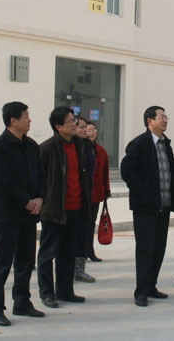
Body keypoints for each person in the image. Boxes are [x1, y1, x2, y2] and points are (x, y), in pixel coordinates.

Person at [0, 102, 46, 327]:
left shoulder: (31, 145)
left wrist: (39, 198)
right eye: (26, 116)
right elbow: (2, 181)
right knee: (0, 264)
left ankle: (22, 302)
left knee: (25, 262)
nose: (29, 119)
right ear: (13, 120)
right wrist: (26, 201)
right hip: (8, 216)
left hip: (29, 215)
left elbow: (41, 176)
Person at [120, 106, 174, 307]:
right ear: (150, 121)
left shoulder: (166, 144)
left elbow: (171, 173)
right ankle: (141, 292)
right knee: (145, 249)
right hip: (146, 207)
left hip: (163, 206)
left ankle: (151, 286)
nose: (165, 120)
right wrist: (143, 192)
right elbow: (127, 171)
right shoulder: (139, 144)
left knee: (158, 248)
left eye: (166, 117)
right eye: (162, 117)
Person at [36, 107, 92, 308]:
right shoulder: (47, 148)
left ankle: (65, 291)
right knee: (47, 254)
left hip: (76, 208)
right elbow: (39, 179)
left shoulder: (79, 145)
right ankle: (47, 293)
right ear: (58, 127)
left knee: (68, 253)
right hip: (54, 209)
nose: (74, 124)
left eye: (74, 121)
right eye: (69, 122)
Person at [74, 115, 97, 283]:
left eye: (86, 127)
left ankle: (79, 270)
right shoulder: (64, 147)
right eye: (81, 127)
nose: (85, 130)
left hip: (85, 197)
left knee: (82, 235)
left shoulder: (88, 147)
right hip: (70, 199)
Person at [85, 121, 111, 262]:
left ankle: (89, 250)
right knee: (82, 223)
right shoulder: (80, 149)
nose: (91, 133)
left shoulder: (101, 151)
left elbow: (105, 173)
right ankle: (81, 250)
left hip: (96, 193)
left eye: (93, 130)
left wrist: (106, 190)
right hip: (82, 194)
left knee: (91, 222)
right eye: (88, 130)